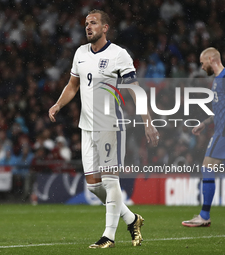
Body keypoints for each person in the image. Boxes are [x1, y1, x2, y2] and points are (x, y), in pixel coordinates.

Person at [49, 9, 159, 248]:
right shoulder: (80, 53)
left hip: (111, 124)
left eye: (94, 23)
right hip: (87, 127)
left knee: (110, 181)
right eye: (86, 23)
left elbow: (135, 90)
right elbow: (72, 84)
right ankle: (132, 219)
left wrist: (148, 122)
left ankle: (108, 236)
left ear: (105, 28)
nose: (88, 27)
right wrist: (58, 104)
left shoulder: (119, 55)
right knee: (95, 186)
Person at [182, 47, 225, 228]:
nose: (202, 67)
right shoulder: (219, 80)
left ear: (211, 59)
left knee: (207, 167)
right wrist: (205, 122)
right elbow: (224, 110)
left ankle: (204, 216)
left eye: (202, 63)